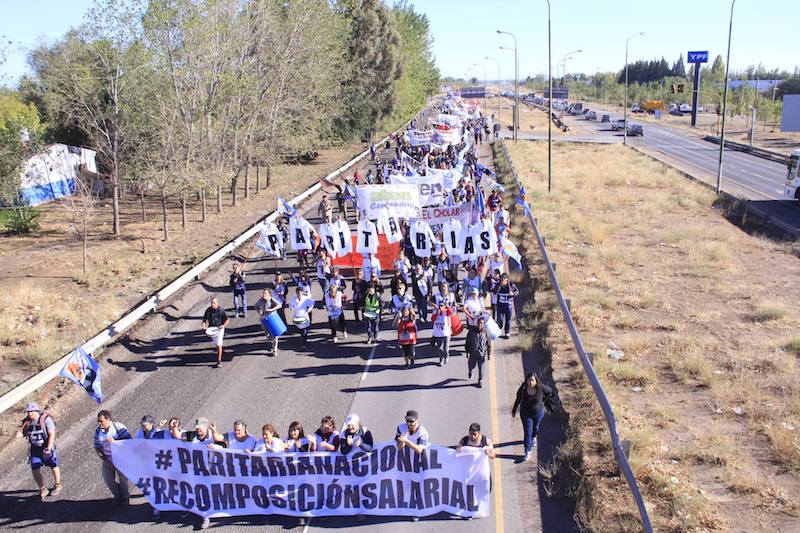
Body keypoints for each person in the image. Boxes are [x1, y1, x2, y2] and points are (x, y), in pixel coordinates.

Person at [16, 402, 60, 500]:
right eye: (28, 412)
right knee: (35, 469)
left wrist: (48, 448)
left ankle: (57, 484)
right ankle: (43, 489)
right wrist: (19, 435)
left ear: (36, 411)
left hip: (46, 447)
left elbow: (52, 434)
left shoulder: (45, 420)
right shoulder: (26, 422)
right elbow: (24, 433)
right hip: (35, 449)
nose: (30, 414)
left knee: (53, 465)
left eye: (32, 411)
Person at [512, 372, 554, 461]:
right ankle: (528, 451)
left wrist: (545, 401)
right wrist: (514, 409)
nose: (530, 382)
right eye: (529, 380)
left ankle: (534, 437)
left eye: (532, 380)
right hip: (526, 414)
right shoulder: (523, 388)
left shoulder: (541, 388)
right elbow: (518, 399)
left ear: (536, 381)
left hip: (538, 413)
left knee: (535, 428)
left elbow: (550, 392)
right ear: (526, 380)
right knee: (528, 432)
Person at [94, 410, 132, 505]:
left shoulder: (118, 427)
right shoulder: (98, 431)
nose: (99, 423)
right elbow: (97, 447)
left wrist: (115, 442)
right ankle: (117, 495)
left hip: (121, 459)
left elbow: (129, 442)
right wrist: (105, 460)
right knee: (108, 480)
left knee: (123, 479)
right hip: (108, 460)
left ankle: (125, 497)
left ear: (108, 419)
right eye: (98, 421)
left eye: (101, 421)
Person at [201, 296, 230, 368]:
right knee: (217, 344)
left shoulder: (221, 310)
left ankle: (219, 361)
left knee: (219, 344)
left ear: (217, 303)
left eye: (213, 303)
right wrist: (204, 326)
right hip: (212, 330)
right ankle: (220, 350)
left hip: (219, 329)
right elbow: (204, 320)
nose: (212, 304)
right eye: (211, 303)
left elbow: (227, 320)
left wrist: (223, 325)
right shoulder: (208, 310)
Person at [255, 287, 282, 355]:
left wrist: (271, 309)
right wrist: (259, 311)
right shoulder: (260, 300)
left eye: (265, 293)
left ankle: (275, 349)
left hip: (272, 318)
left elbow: (279, 305)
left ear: (269, 294)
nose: (264, 294)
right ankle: (272, 342)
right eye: (263, 293)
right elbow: (256, 306)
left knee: (275, 334)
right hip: (264, 319)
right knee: (267, 334)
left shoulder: (272, 299)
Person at [465, 316, 489, 388]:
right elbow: (467, 342)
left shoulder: (486, 332)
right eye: (479, 323)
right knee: (471, 366)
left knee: (481, 369)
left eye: (481, 323)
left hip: (482, 355)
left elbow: (488, 344)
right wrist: (467, 352)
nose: (480, 324)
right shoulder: (471, 331)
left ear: (484, 324)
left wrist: (489, 354)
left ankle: (480, 380)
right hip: (473, 354)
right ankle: (470, 371)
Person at [494, 273, 519, 338]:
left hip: (509, 306)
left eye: (504, 278)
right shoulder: (498, 285)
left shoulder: (511, 285)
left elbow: (517, 291)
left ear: (507, 279)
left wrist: (512, 293)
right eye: (502, 279)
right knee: (500, 319)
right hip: (500, 306)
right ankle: (499, 329)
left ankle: (507, 332)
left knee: (508, 319)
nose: (503, 280)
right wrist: (499, 287)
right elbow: (494, 292)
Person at [431, 301, 453, 366]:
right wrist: (437, 313)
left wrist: (447, 305)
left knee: (446, 348)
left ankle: (446, 356)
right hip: (438, 333)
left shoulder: (447, 312)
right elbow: (432, 319)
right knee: (440, 348)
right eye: (440, 306)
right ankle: (441, 359)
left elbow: (450, 311)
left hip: (446, 333)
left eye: (442, 306)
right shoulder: (435, 312)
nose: (441, 307)